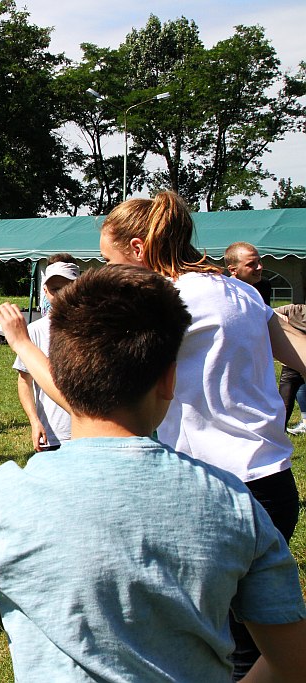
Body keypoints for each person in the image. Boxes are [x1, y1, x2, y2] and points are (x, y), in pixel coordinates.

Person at [0, 266, 306, 683]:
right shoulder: (235, 503)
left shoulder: (8, 495)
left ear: (60, 379)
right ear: (169, 380)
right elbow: (292, 660)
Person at [96, 191, 306, 678]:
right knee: (257, 639)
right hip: (271, 481)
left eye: (111, 262)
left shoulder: (167, 304)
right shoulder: (242, 292)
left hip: (209, 488)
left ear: (139, 249)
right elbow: (297, 356)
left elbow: (100, 391)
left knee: (211, 641)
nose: (112, 274)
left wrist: (24, 343)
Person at [12, 258, 79, 453]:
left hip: (90, 433)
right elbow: (24, 381)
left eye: (66, 288)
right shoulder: (35, 331)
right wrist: (34, 422)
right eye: (54, 289)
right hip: (53, 432)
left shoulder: (93, 328)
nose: (60, 295)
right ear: (45, 291)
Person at [275, 303, 306, 434]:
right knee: (285, 400)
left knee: (288, 397)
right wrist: (278, 316)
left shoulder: (296, 310)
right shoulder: (296, 310)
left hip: (296, 362)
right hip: (291, 364)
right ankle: (278, 430)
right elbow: (265, 312)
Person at [225, 241, 270, 305]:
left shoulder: (263, 285)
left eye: (259, 261)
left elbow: (265, 312)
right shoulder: (226, 292)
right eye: (251, 264)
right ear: (232, 270)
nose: (259, 267)